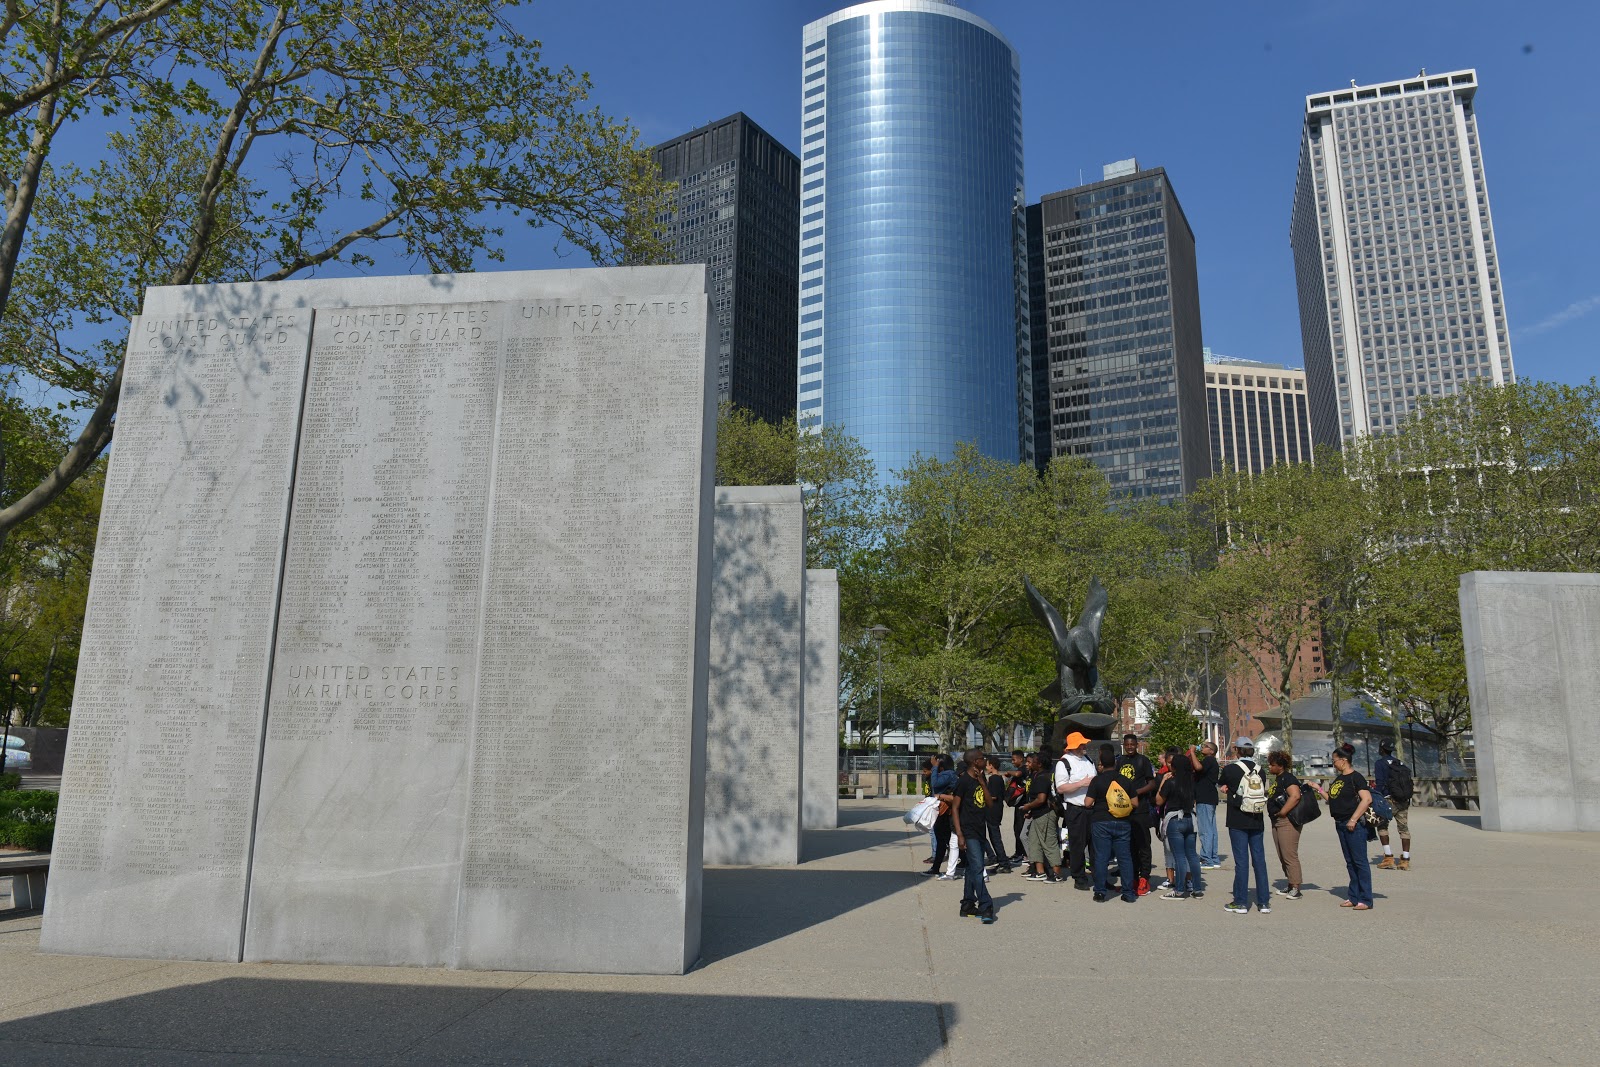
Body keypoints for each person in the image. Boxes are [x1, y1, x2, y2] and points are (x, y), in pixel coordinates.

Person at [943, 749, 998, 923]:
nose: (985, 760)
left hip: (980, 829)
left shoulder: (981, 780)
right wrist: (959, 834)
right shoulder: (963, 782)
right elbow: (955, 808)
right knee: (978, 867)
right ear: (975, 762)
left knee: (972, 869)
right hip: (968, 831)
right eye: (983, 758)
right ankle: (986, 905)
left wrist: (982, 782)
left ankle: (967, 904)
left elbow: (990, 804)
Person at [1219, 736, 1271, 914]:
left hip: (1237, 818)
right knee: (1259, 861)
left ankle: (1240, 901)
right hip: (1256, 818)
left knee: (1241, 862)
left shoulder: (1230, 769)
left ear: (1237, 750)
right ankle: (1264, 902)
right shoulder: (1260, 770)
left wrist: (1226, 789)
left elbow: (1222, 785)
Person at [1084, 743, 1138, 903]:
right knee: (1125, 858)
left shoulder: (1097, 781)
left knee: (1101, 857)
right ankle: (1128, 893)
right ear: (1115, 763)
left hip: (1101, 821)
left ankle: (1100, 892)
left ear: (1101, 763)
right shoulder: (1125, 781)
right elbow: (1135, 803)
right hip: (1122, 822)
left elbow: (1088, 803)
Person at [1328, 742, 1375, 910]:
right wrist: (1318, 789)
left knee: (1360, 861)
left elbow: (1367, 799)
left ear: (1343, 760)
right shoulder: (1339, 779)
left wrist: (1353, 819)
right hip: (1340, 822)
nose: (1333, 764)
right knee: (1350, 862)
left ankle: (1365, 899)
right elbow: (1333, 799)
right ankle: (1353, 896)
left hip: (1353, 824)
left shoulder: (1356, 777)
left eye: (1334, 760)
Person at [1156, 749, 1204, 899]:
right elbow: (1195, 800)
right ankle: (1197, 888)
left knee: (1179, 857)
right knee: (1192, 855)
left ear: (1175, 767)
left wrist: (1163, 781)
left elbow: (1158, 801)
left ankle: (1179, 890)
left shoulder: (1171, 781)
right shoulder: (1192, 781)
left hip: (1175, 819)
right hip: (1191, 818)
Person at [1115, 733, 1157, 895]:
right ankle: (1131, 878)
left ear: (1137, 744)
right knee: (1128, 846)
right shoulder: (1120, 761)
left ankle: (1144, 878)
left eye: (1132, 744)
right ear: (1124, 745)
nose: (1130, 747)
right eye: (1127, 745)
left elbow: (1152, 784)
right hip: (1124, 809)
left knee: (1143, 845)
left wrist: (1135, 792)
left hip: (1140, 810)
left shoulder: (1143, 761)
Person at [1055, 732, 1095, 890]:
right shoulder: (1064, 763)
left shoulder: (1088, 759)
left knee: (1095, 844)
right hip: (1075, 809)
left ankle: (1097, 874)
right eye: (1081, 744)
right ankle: (1079, 877)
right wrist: (1082, 783)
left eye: (1084, 743)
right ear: (1072, 747)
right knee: (1077, 844)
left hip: (1092, 808)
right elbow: (1061, 787)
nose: (1084, 746)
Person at [1266, 750, 1304, 900]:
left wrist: (1283, 812)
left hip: (1287, 821)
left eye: (1272, 764)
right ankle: (1290, 883)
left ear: (1280, 766)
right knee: (1282, 855)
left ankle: (1296, 887)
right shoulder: (1278, 779)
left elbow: (1295, 796)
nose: (1269, 767)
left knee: (1289, 854)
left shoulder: (1288, 778)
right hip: (1276, 821)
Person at [1018, 752, 1060, 883]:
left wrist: (1028, 806)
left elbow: (1041, 799)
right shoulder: (1036, 775)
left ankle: (1056, 873)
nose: (1028, 763)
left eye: (1032, 761)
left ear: (1040, 764)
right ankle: (1039, 871)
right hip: (1037, 814)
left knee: (1049, 843)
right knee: (1034, 841)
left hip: (1045, 813)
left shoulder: (1043, 777)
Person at [1373, 740, 1412, 871]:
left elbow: (1379, 783)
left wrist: (1376, 798)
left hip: (1387, 800)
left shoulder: (1380, 763)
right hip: (1402, 800)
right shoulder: (1399, 763)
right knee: (1403, 829)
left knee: (1382, 827)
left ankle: (1388, 857)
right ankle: (1405, 860)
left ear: (1382, 749)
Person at [1189, 741, 1223, 868]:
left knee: (1205, 829)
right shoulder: (1211, 761)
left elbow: (1198, 767)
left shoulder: (1209, 760)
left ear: (1212, 751)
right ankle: (1213, 858)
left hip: (1205, 798)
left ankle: (1206, 858)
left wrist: (1192, 752)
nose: (1202, 747)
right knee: (1211, 829)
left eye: (1205, 746)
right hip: (1210, 797)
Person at [925, 755, 960, 877]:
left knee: (947, 840)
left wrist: (934, 767)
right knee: (944, 840)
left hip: (946, 812)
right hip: (944, 811)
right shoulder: (949, 774)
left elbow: (935, 784)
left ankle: (939, 867)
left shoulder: (948, 774)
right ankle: (936, 867)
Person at [984, 756, 1013, 873]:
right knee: (993, 836)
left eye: (987, 765)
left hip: (993, 810)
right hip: (994, 810)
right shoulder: (997, 778)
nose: (986, 767)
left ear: (991, 765)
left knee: (995, 837)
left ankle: (1004, 863)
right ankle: (1001, 861)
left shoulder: (994, 779)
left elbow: (994, 796)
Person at [1006, 749, 1029, 865]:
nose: (1013, 762)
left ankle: (1024, 854)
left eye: (1014, 759)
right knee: (1017, 828)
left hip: (1023, 804)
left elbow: (1018, 774)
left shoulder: (1024, 769)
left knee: (1021, 830)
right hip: (1018, 804)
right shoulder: (1021, 769)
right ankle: (1018, 852)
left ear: (1021, 759)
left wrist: (1009, 772)